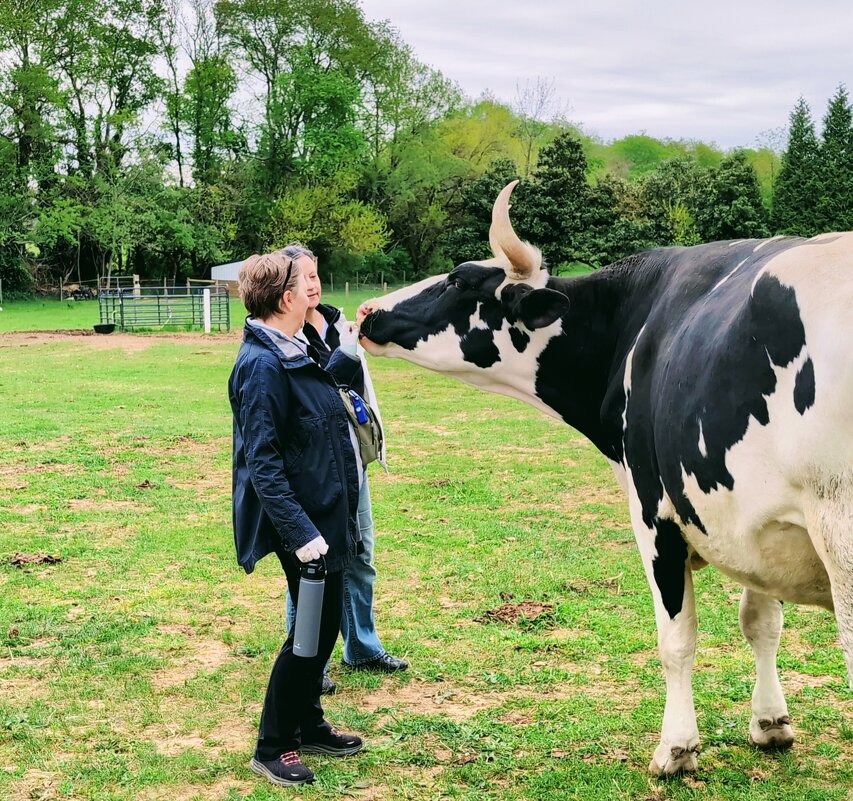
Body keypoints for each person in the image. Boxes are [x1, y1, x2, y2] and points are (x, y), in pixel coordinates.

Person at [228, 251, 365, 787]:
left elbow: (320, 408)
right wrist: (301, 533)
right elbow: (261, 461)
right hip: (303, 525)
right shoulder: (261, 365)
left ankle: (307, 721)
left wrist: (345, 359)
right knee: (308, 634)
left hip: (326, 512)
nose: (311, 289)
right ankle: (274, 744)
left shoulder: (295, 346)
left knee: (326, 626)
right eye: (302, 283)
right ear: (285, 298)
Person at [279, 243, 408, 692]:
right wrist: (348, 350)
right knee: (312, 562)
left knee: (360, 553)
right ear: (284, 289)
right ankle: (309, 659)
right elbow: (320, 388)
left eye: (316, 275)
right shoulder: (286, 335)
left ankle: (363, 646)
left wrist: (374, 315)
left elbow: (382, 341)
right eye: (303, 278)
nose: (312, 284)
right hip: (314, 466)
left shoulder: (336, 321)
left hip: (352, 457)